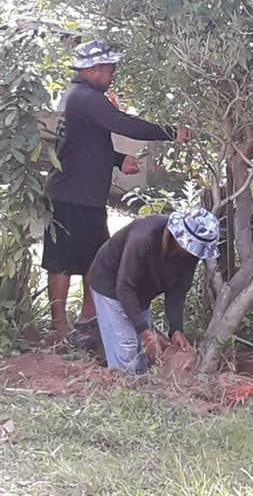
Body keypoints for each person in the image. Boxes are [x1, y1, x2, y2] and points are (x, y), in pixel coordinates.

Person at [42, 38, 193, 344]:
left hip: (84, 195)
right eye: (110, 68)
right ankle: (58, 328)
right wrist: (169, 132)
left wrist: (117, 159)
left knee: (93, 258)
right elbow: (123, 124)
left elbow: (82, 143)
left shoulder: (80, 97)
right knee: (61, 260)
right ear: (94, 68)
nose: (113, 73)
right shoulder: (85, 97)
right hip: (70, 195)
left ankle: (88, 319)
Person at [88, 206, 220, 373]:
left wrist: (176, 329)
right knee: (126, 354)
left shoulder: (190, 255)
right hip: (111, 284)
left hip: (141, 292)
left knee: (142, 357)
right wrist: (145, 332)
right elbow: (125, 287)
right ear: (178, 236)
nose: (193, 253)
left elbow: (177, 291)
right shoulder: (143, 238)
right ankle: (120, 389)